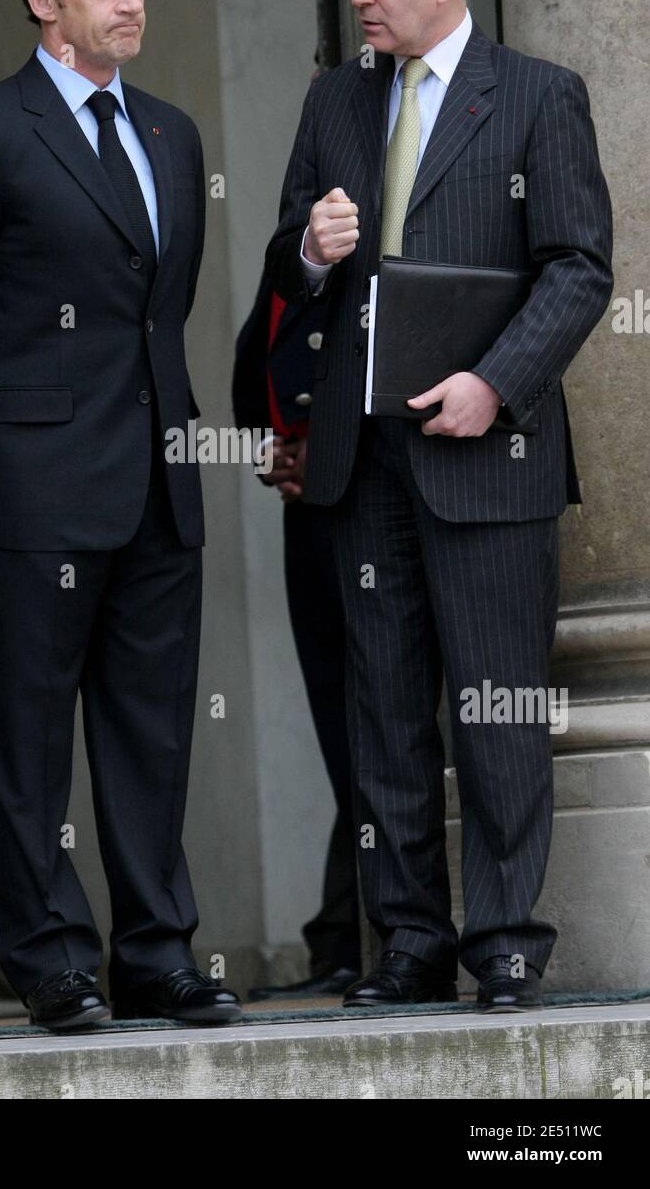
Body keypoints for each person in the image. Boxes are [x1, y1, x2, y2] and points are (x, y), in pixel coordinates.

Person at [265, 0, 613, 1013]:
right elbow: (286, 272)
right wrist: (310, 251)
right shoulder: (333, 102)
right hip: (363, 463)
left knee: (497, 702)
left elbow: (576, 268)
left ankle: (504, 938)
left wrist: (494, 384)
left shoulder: (536, 94)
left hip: (486, 454)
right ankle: (406, 937)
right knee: (383, 711)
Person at [0, 0, 242, 1031]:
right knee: (32, 738)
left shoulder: (172, 134)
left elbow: (160, 313)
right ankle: (50, 960)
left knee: (149, 732)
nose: (131, 0)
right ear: (44, 0)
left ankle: (155, 950)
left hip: (155, 476)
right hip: (33, 484)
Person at [233, 270, 361, 998]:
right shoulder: (294, 263)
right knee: (342, 731)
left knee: (391, 732)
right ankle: (344, 942)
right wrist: (276, 454)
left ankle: (359, 938)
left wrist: (331, 449)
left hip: (380, 508)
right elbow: (254, 381)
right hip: (310, 519)